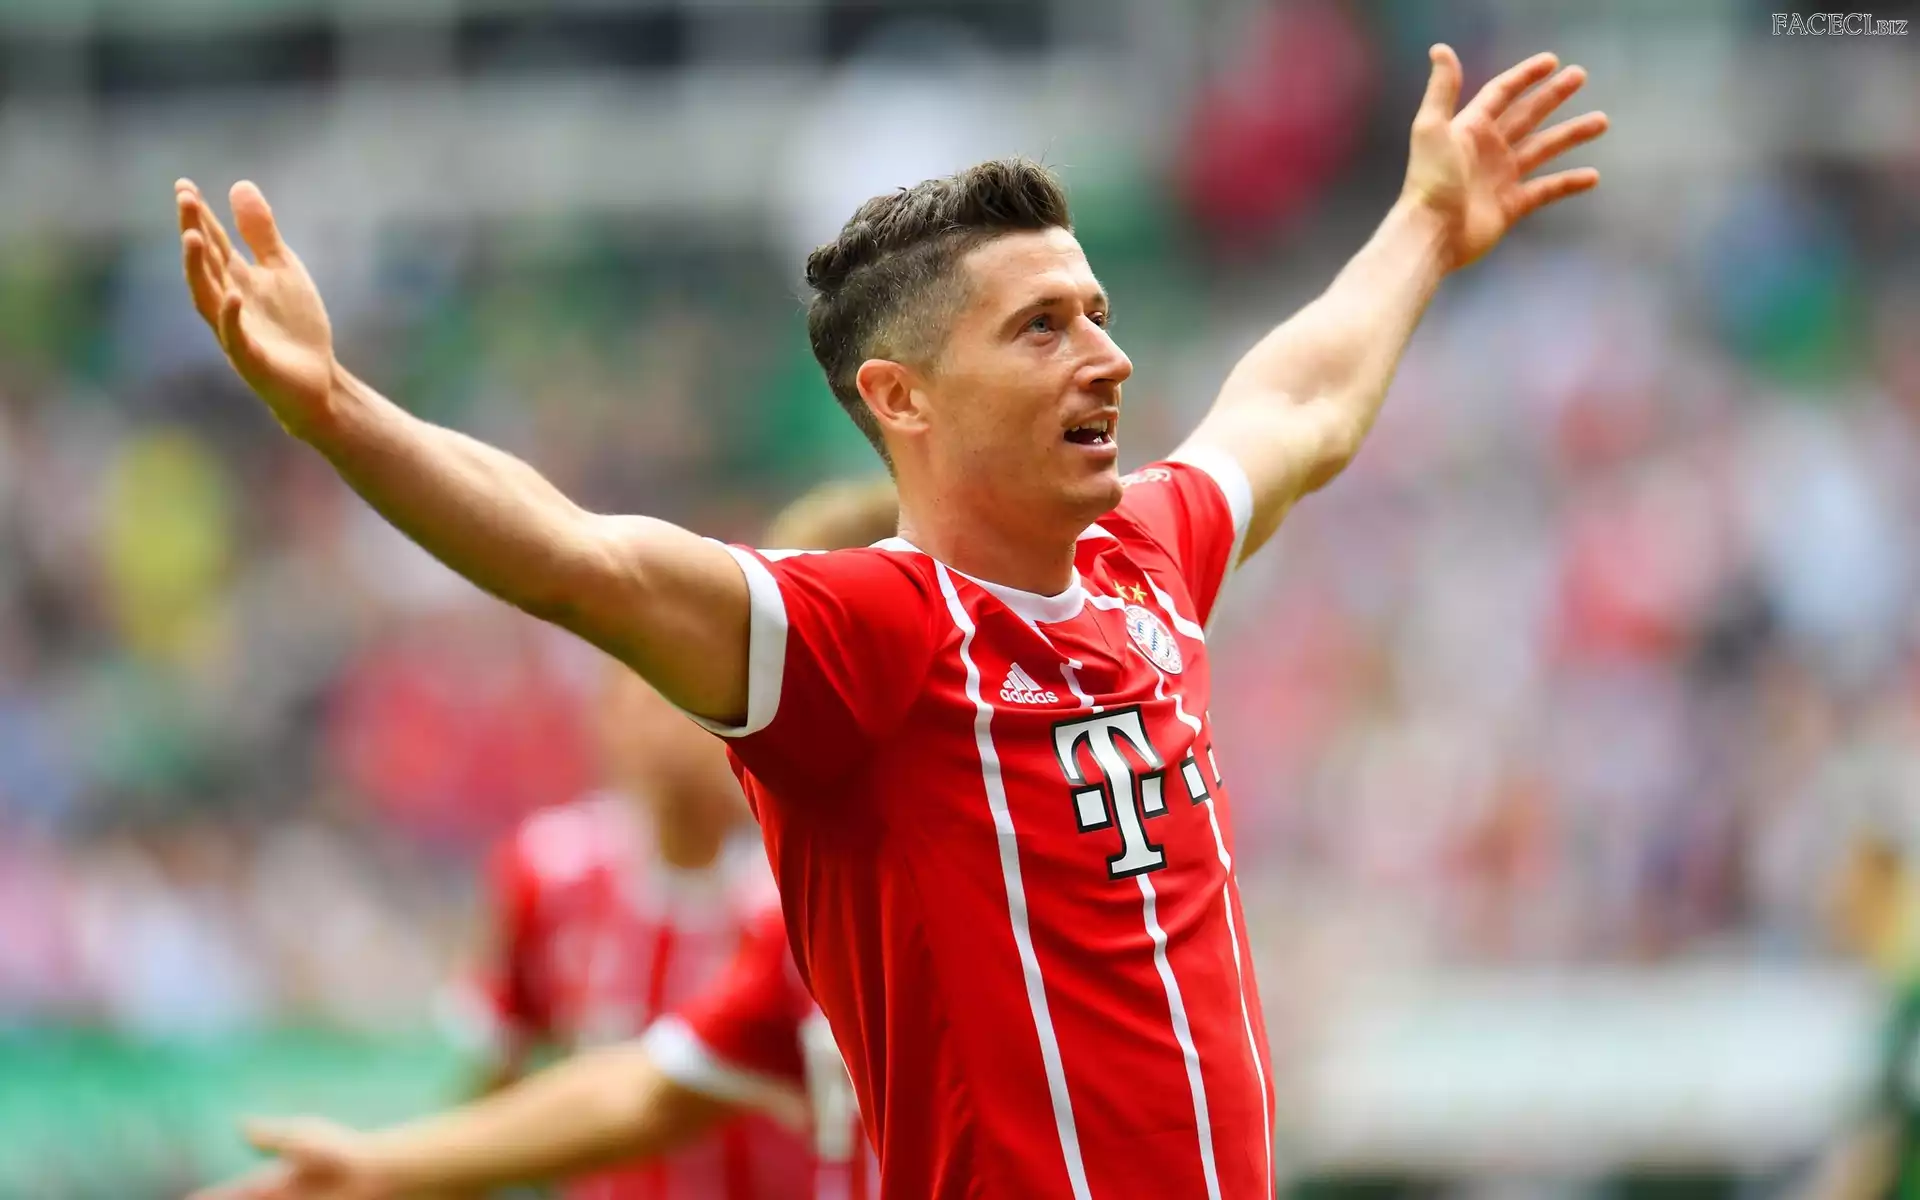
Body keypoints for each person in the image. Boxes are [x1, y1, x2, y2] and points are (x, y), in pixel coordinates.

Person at [175, 44, 1605, 1198]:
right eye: (1040, 326)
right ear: (900, 397)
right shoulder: (872, 638)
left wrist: (1424, 228)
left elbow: (1297, 401)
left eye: (1097, 310)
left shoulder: (1147, 559)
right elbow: (577, 561)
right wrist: (336, 408)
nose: (1107, 354)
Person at [192, 482, 898, 1200]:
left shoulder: (820, 893)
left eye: (776, 658)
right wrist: (387, 1169)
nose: (673, 717)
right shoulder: (568, 875)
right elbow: (640, 1091)